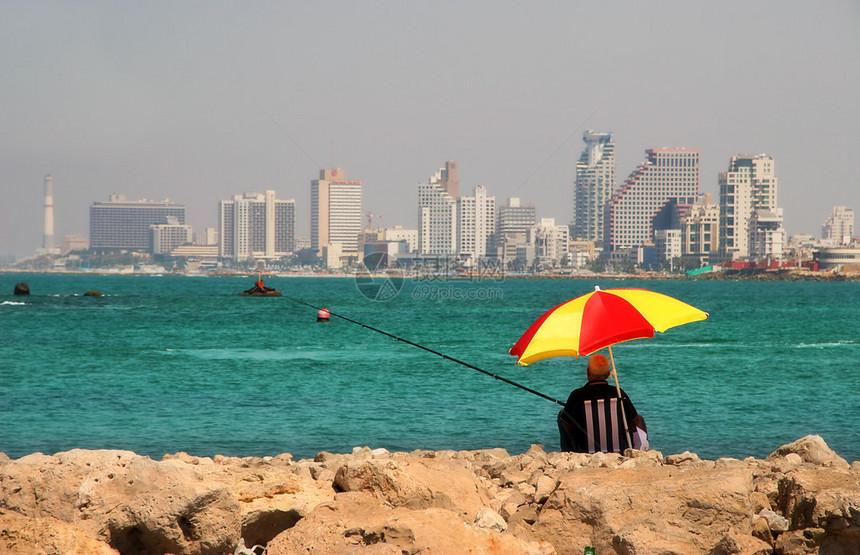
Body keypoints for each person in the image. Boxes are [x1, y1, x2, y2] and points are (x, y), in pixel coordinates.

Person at [558, 353, 647, 453]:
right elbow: (636, 421)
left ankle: (565, 452)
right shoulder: (618, 394)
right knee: (640, 418)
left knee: (563, 415)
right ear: (608, 374)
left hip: (584, 449)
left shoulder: (577, 396)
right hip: (619, 449)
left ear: (587, 371)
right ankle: (641, 451)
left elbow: (568, 426)